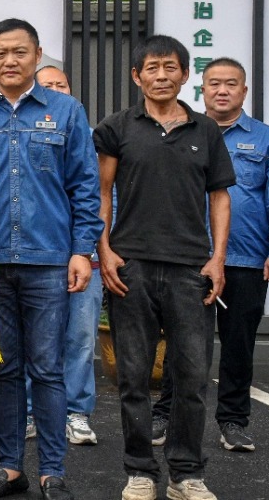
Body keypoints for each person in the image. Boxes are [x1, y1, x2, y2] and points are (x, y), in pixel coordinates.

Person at [0, 19, 102, 500]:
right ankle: (10, 468)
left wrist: (83, 251)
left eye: (18, 52)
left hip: (50, 261)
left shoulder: (67, 111)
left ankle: (53, 471)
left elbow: (84, 187)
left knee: (48, 369)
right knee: (5, 368)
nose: (9, 61)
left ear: (37, 55)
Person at [94, 36, 234, 500]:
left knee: (191, 377)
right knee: (133, 377)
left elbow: (219, 196)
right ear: (137, 76)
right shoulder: (118, 127)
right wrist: (105, 250)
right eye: (151, 68)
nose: (160, 75)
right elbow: (102, 193)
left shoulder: (205, 130)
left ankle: (185, 475)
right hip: (130, 266)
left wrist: (217, 258)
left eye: (170, 67)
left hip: (189, 269)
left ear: (184, 74)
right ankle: (139, 472)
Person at [149, 58, 269, 454]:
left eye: (231, 84)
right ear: (201, 89)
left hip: (244, 259)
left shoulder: (267, 140)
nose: (222, 91)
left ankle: (233, 422)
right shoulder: (183, 132)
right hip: (186, 257)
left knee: (238, 345)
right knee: (179, 343)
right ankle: (164, 415)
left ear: (244, 90)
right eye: (214, 84)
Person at [21, 65, 103, 447]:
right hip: (38, 255)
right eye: (47, 85)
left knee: (80, 338)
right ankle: (31, 413)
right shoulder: (20, 131)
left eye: (61, 84)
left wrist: (90, 250)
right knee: (32, 341)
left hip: (83, 255)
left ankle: (75, 412)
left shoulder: (88, 135)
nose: (55, 89)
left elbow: (101, 199)